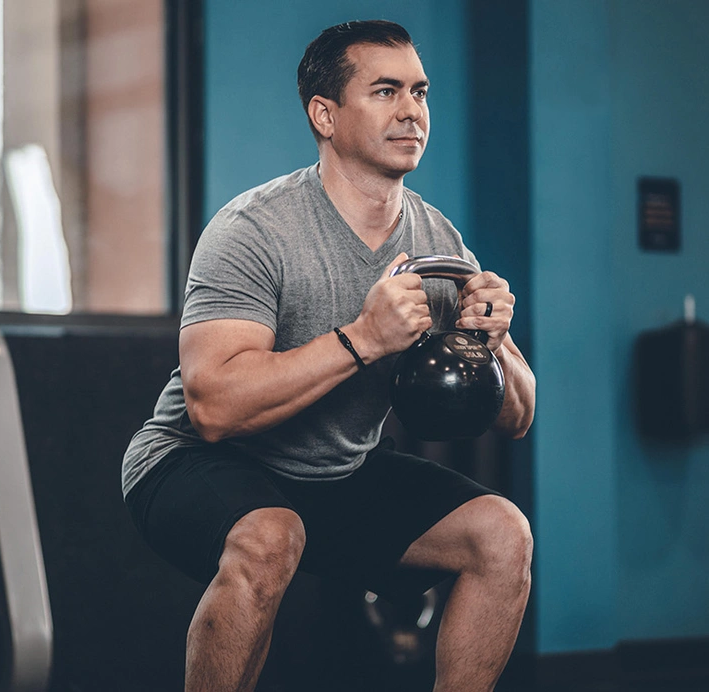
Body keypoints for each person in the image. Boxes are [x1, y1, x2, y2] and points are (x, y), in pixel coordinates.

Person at [122, 19, 536, 692]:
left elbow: (517, 415)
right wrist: (364, 339)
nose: (411, 110)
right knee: (269, 536)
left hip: (337, 473)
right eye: (384, 91)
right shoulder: (255, 229)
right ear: (325, 114)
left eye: (420, 92)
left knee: (502, 534)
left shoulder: (439, 243)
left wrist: (491, 341)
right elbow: (213, 408)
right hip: (194, 461)